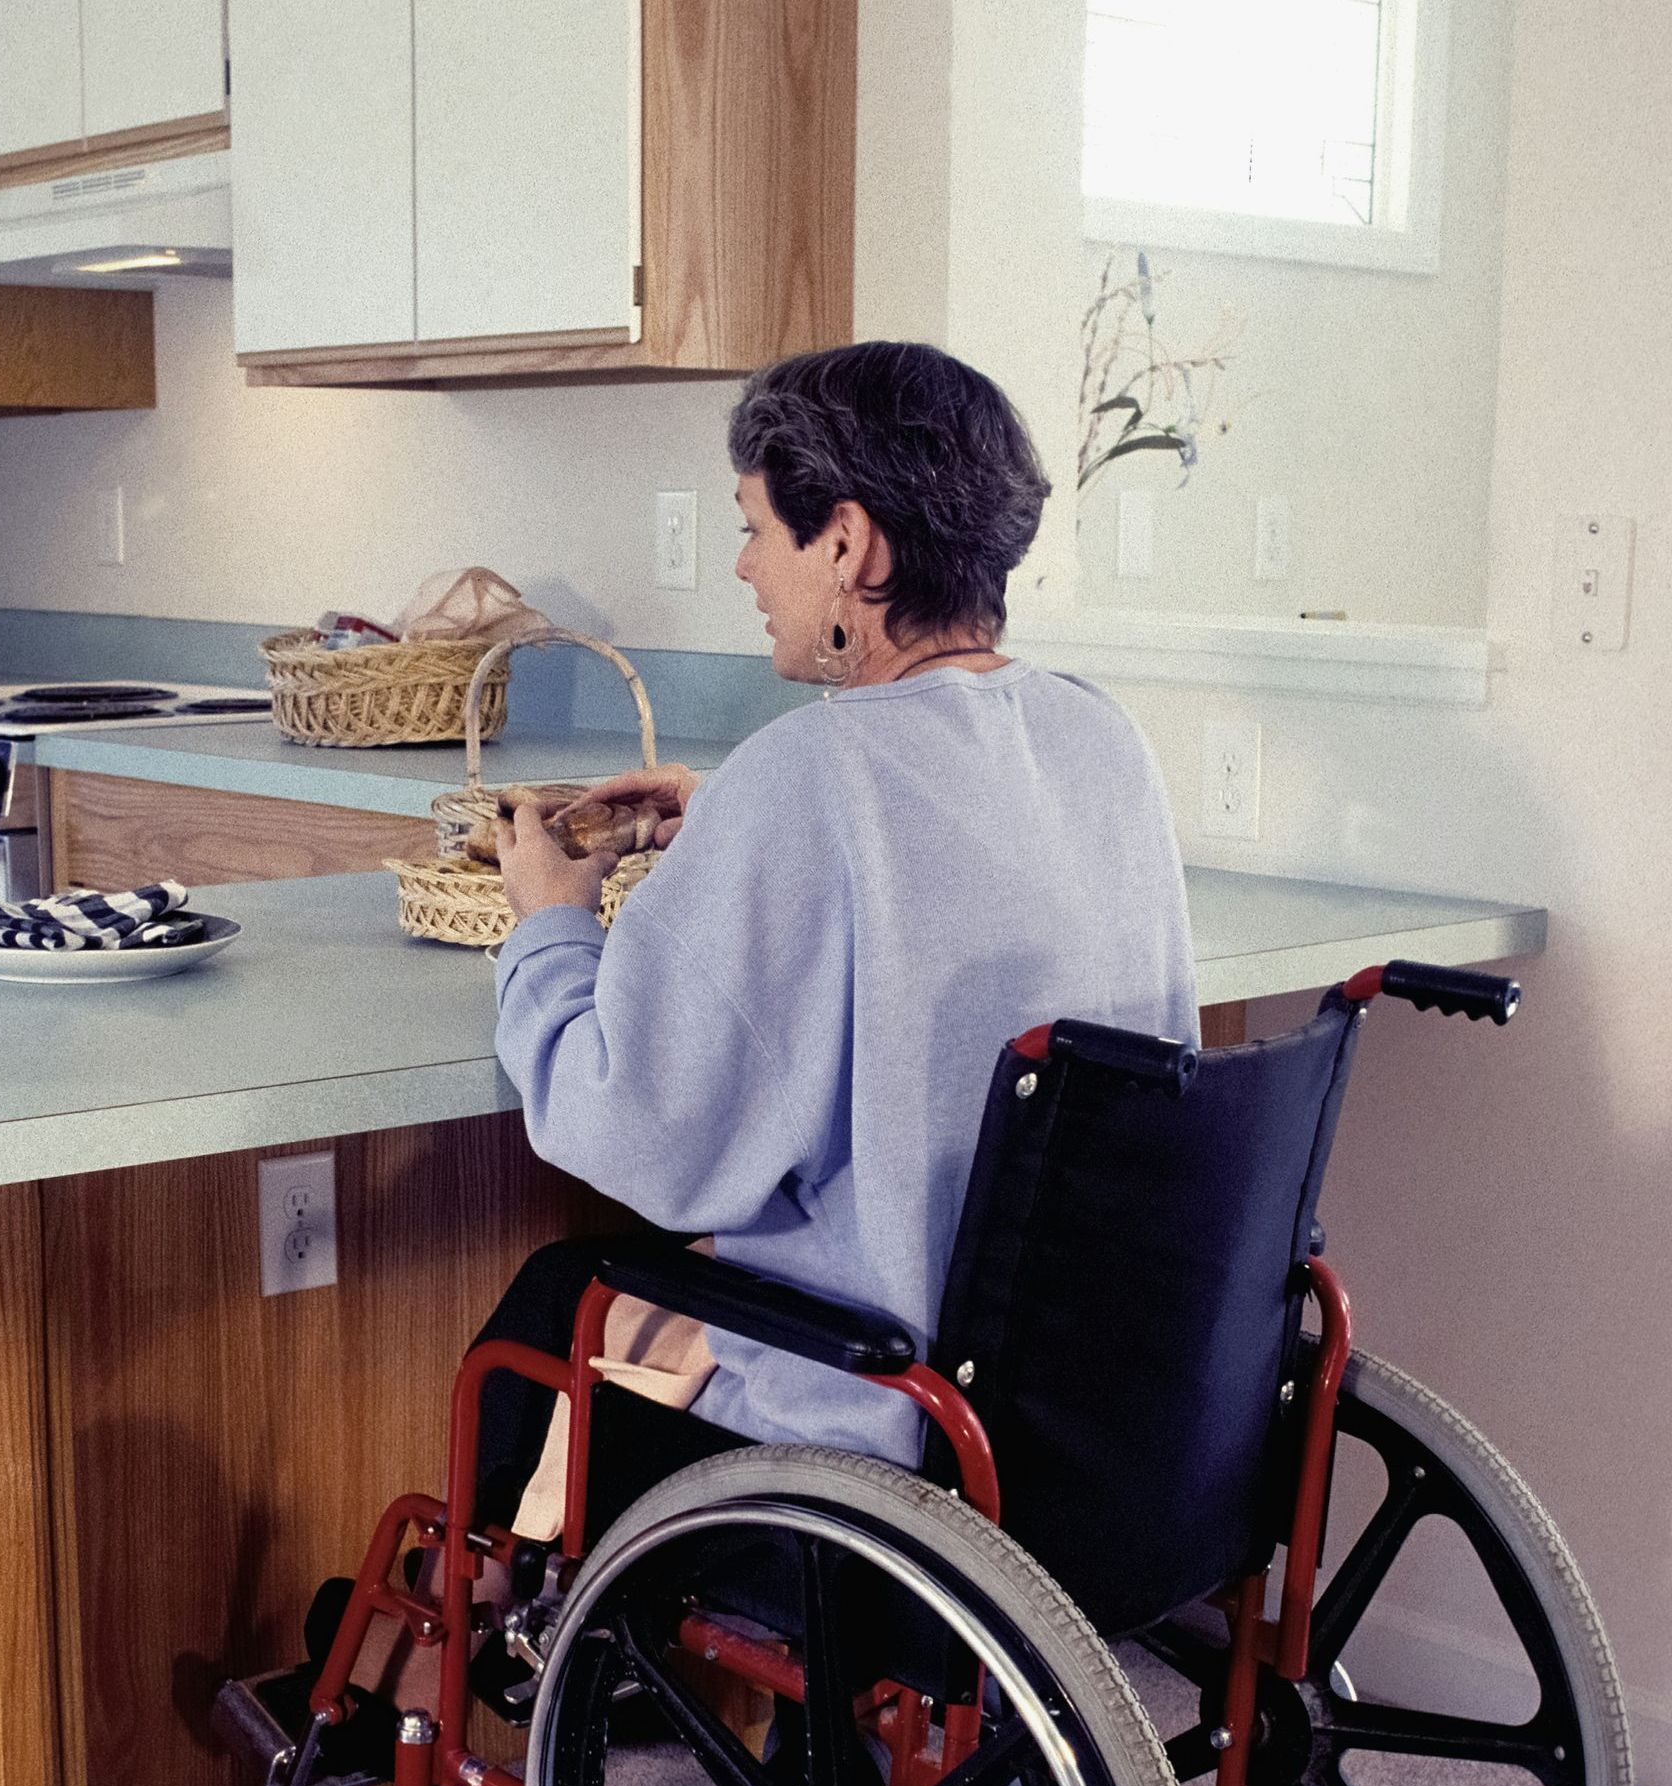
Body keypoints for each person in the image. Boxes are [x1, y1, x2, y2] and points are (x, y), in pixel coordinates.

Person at [475, 338, 1198, 1537]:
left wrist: (550, 926)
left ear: (848, 543)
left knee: (559, 1293)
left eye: (758, 526)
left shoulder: (809, 772)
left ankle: (444, 1654)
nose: (748, 565)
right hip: (1086, 1396)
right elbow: (954, 887)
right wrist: (741, 840)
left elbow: (640, 1131)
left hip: (891, 1416)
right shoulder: (1096, 735)